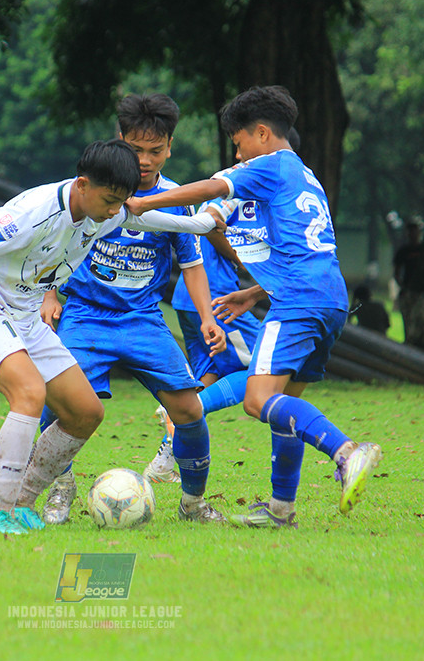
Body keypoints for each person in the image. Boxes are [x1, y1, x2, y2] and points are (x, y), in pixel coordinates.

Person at [0, 139, 224, 535]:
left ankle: (24, 504)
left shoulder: (104, 212)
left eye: (122, 201)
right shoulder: (30, 214)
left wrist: (202, 224)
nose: (116, 210)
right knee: (30, 394)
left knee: (86, 412)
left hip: (27, 317)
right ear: (82, 184)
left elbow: (145, 220)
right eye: (110, 199)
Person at [127, 85, 382, 529]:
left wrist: (143, 203)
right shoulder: (303, 175)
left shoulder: (267, 165)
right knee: (285, 407)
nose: (238, 153)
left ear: (261, 133)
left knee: (257, 398)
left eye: (239, 142)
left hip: (298, 304)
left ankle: (346, 452)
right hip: (329, 300)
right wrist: (253, 295)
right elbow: (302, 249)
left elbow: (210, 187)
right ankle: (282, 509)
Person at [38, 94, 228, 526]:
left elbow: (193, 265)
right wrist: (51, 296)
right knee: (58, 402)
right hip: (85, 315)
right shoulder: (88, 189)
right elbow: (54, 245)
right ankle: (60, 486)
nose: (145, 161)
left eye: (155, 151)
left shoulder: (177, 198)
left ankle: (193, 503)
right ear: (120, 139)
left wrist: (207, 317)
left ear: (170, 147)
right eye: (137, 149)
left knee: (189, 410)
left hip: (142, 320)